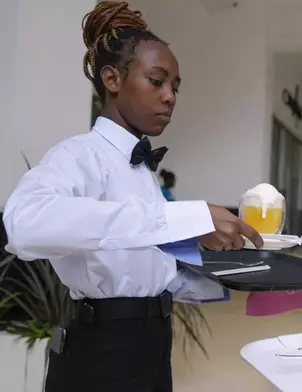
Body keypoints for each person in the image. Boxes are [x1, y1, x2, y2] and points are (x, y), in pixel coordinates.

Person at [2, 2, 263, 391]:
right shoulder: (78, 155)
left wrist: (248, 276)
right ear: (112, 79)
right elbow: (23, 225)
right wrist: (184, 217)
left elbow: (147, 273)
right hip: (101, 353)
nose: (170, 96)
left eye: (175, 86)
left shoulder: (141, 169)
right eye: (157, 81)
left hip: (153, 345)